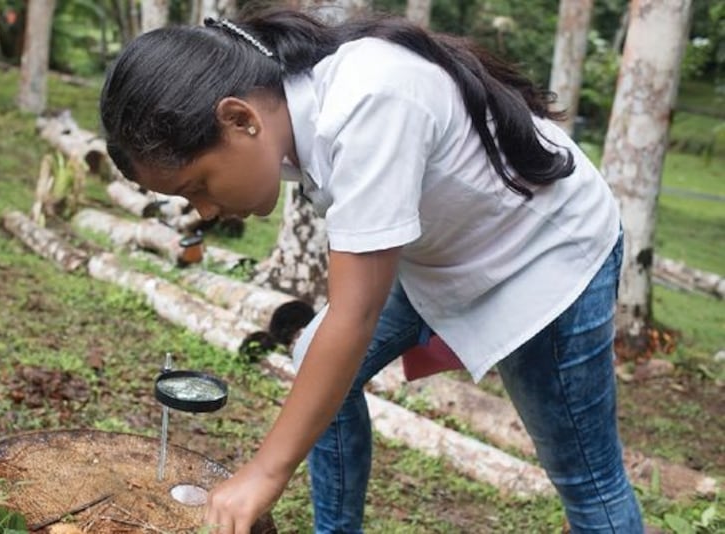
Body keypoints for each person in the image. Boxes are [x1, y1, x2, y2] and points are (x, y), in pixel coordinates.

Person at [99, 8, 643, 534]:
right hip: (447, 252)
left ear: (241, 119)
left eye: (198, 186)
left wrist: (265, 472)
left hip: (544, 257)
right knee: (318, 359)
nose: (204, 211)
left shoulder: (370, 104)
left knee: (587, 483)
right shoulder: (286, 108)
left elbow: (354, 314)